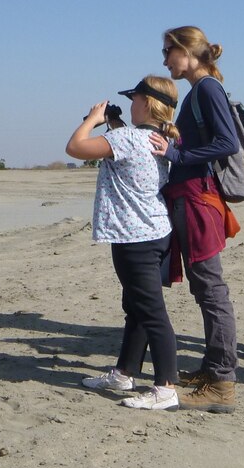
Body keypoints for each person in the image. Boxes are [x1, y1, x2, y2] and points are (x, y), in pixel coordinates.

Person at [65, 75, 181, 411]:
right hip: (156, 231)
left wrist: (93, 119)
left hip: (136, 239)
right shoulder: (159, 137)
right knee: (138, 308)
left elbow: (75, 148)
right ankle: (124, 373)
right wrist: (114, 121)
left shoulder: (129, 139)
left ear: (146, 103)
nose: (130, 105)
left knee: (152, 312)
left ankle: (166, 387)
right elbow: (128, 146)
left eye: (134, 99)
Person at [150, 26, 240, 413]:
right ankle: (212, 369)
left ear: (187, 51)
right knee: (206, 288)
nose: (165, 59)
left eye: (168, 50)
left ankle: (222, 381)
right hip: (192, 197)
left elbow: (228, 143)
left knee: (210, 288)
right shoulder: (200, 91)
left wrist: (177, 154)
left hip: (198, 199)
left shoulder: (206, 89)